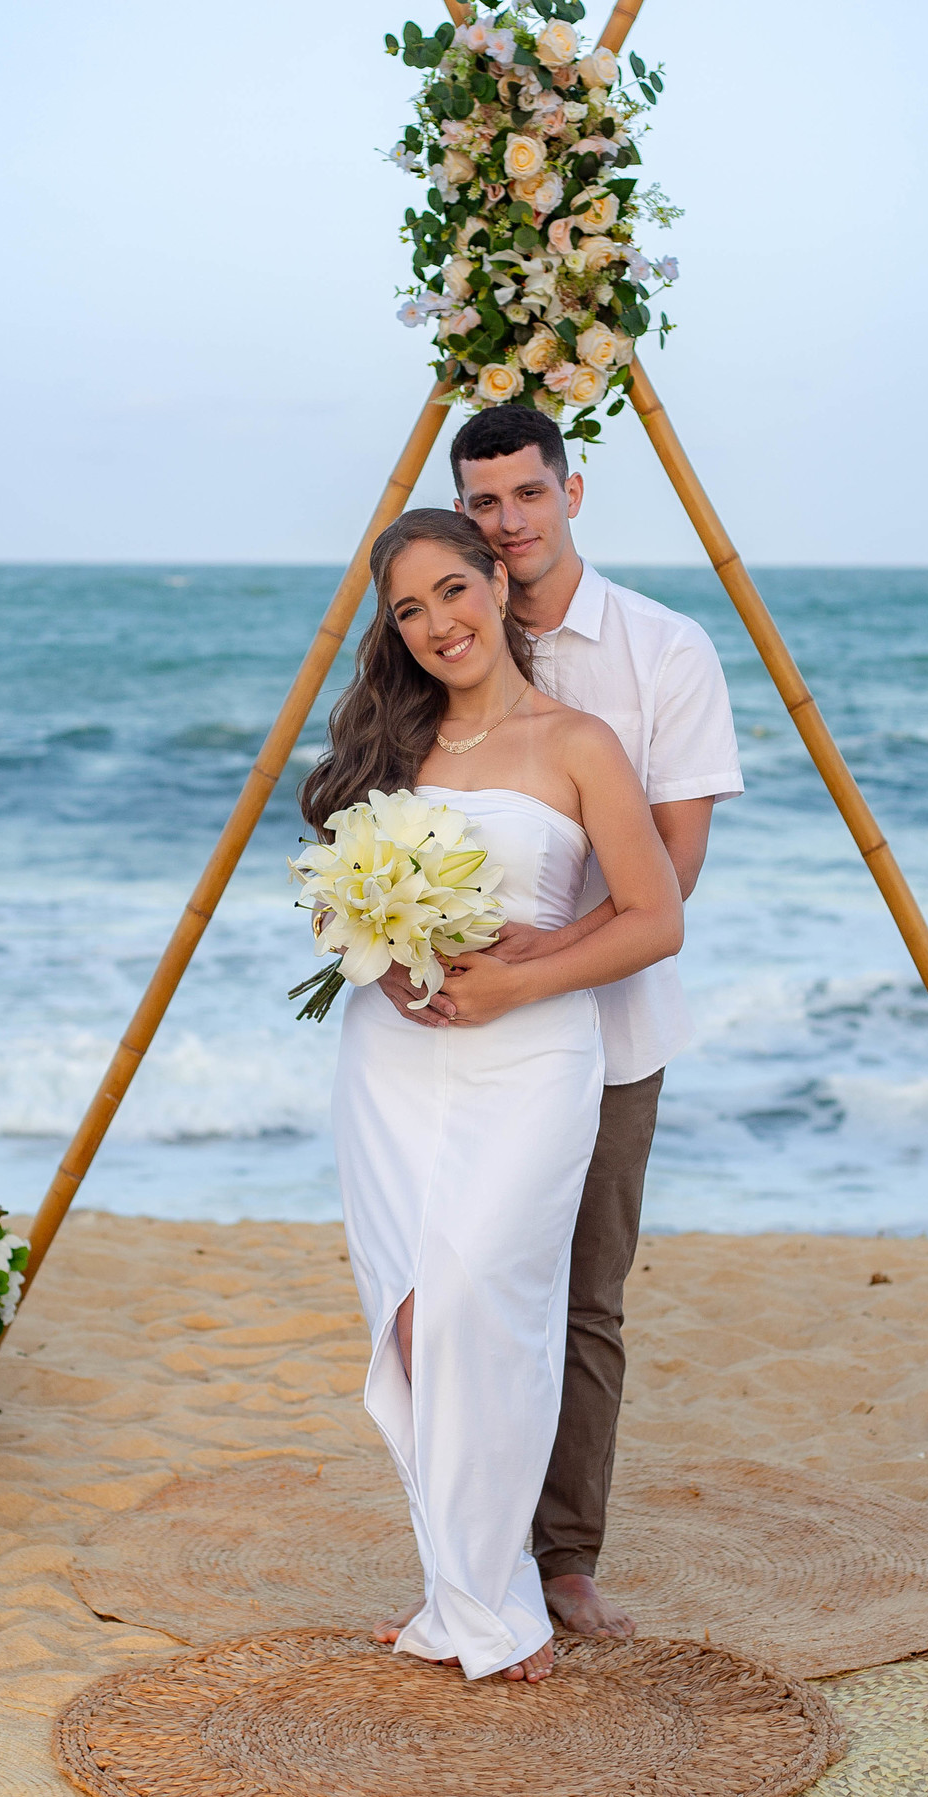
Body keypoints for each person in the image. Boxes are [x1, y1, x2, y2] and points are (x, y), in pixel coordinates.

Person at [374, 407, 743, 1641]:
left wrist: (537, 964)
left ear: (571, 491)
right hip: (438, 1042)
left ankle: (564, 1555)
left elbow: (671, 872)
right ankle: (475, 1552)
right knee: (454, 1279)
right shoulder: (439, 647)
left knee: (580, 1292)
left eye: (528, 495)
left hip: (609, 1022)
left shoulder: (662, 650)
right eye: (485, 504)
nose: (509, 522)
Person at [301, 507, 683, 1682]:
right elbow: (327, 908)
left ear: (498, 587)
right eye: (408, 610)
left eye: (451, 593)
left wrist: (519, 981)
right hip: (392, 1056)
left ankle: (490, 1592)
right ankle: (468, 1594)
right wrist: (378, 937)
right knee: (414, 1320)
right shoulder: (390, 745)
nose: (435, 626)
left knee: (483, 1302)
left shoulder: (581, 743)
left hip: (531, 1055)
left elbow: (655, 918)